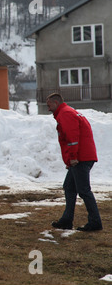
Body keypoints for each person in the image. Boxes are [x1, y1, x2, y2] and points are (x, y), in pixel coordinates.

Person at [46, 93, 102, 231]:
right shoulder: (67, 112)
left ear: (56, 102)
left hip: (80, 158)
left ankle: (95, 222)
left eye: (49, 105)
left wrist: (73, 157)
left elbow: (73, 138)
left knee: (83, 190)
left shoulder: (65, 114)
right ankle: (67, 220)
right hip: (81, 156)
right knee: (69, 187)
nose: (48, 108)